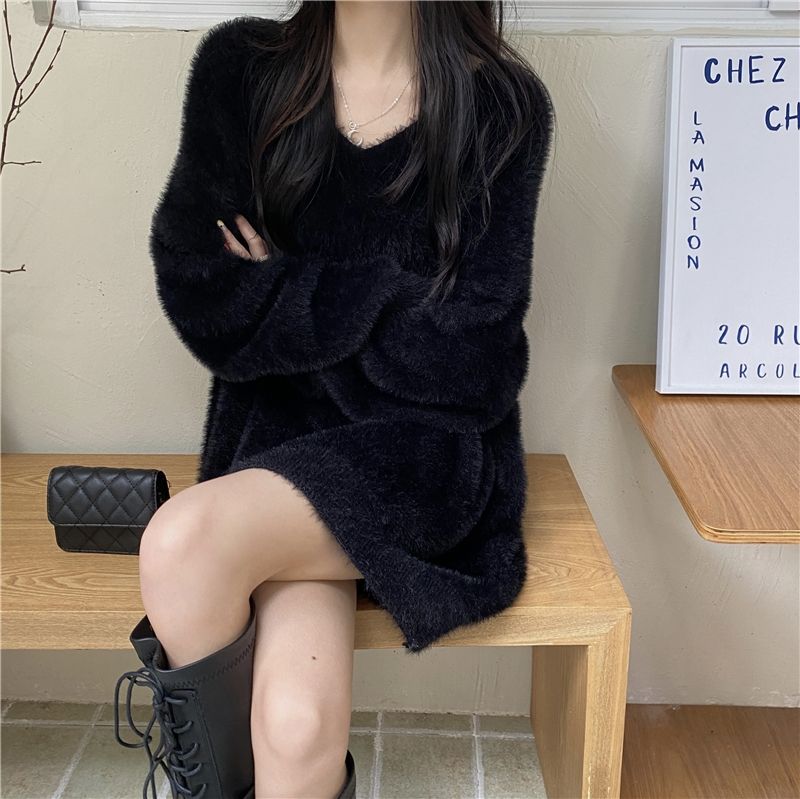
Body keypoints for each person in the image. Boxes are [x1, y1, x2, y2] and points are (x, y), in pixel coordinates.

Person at [112, 2, 555, 798]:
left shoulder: (502, 108)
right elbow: (201, 288)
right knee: (296, 724)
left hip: (419, 459)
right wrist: (392, 309)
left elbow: (473, 361)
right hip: (278, 445)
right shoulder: (241, 72)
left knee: (182, 543)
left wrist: (284, 289)